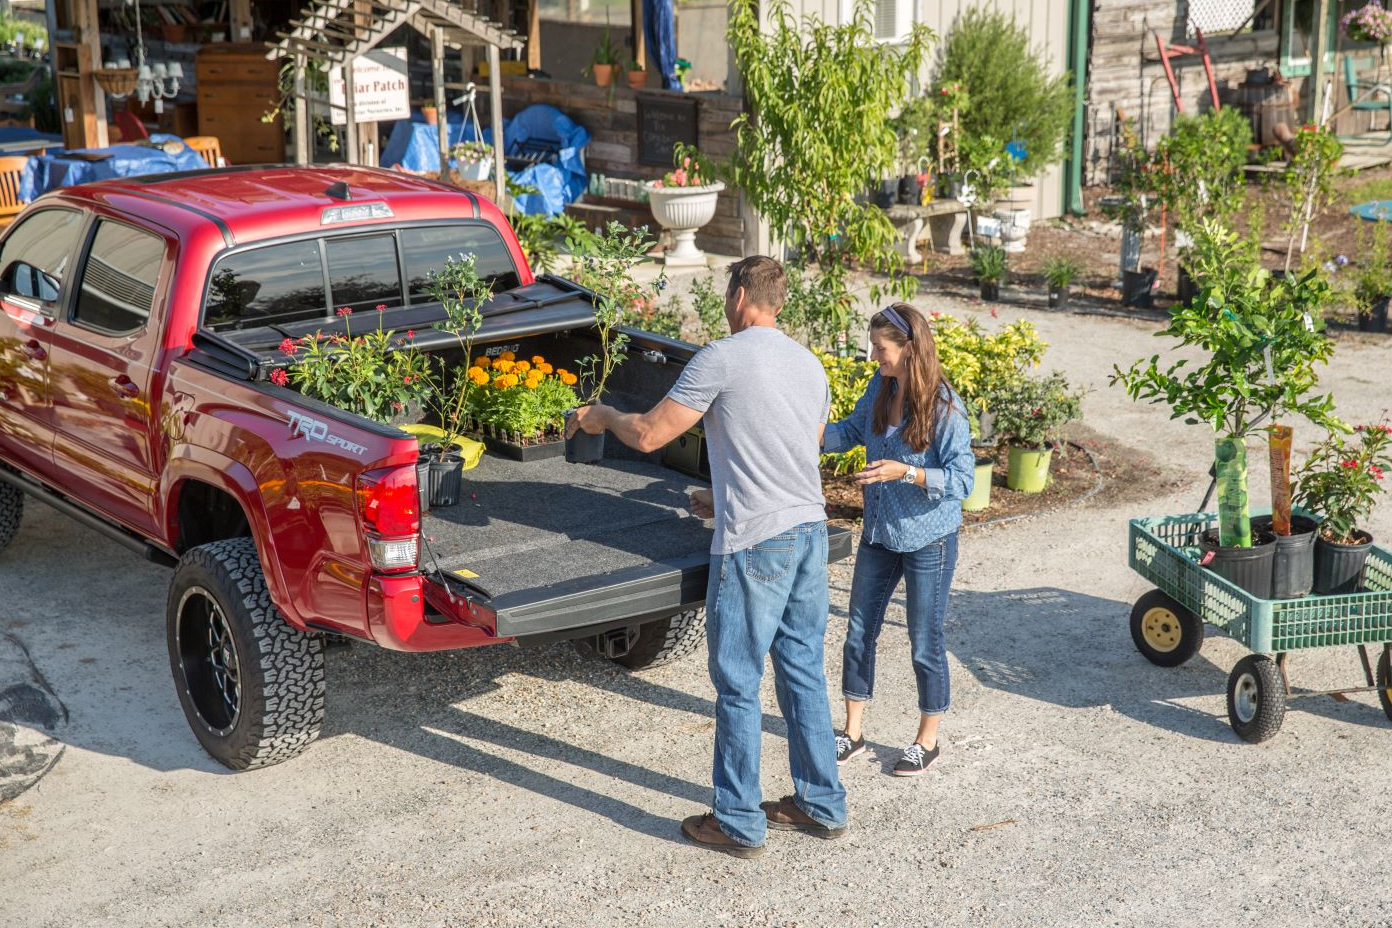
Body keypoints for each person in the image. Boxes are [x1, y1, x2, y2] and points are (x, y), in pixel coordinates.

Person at [566, 256, 847, 858]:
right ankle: (821, 803)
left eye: (727, 293)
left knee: (739, 682)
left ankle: (739, 820)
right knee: (802, 672)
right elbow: (789, 449)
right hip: (808, 531)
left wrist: (602, 414)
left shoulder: (724, 355)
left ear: (742, 294)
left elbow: (648, 434)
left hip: (758, 544)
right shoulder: (809, 364)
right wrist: (721, 496)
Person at [821, 303, 974, 777]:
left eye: (881, 349)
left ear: (910, 349)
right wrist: (804, 433)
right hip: (879, 533)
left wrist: (905, 471)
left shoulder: (944, 406)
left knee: (924, 641)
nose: (874, 356)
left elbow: (964, 481)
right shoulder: (879, 388)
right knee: (858, 632)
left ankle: (926, 740)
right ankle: (852, 733)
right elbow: (849, 431)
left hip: (930, 538)